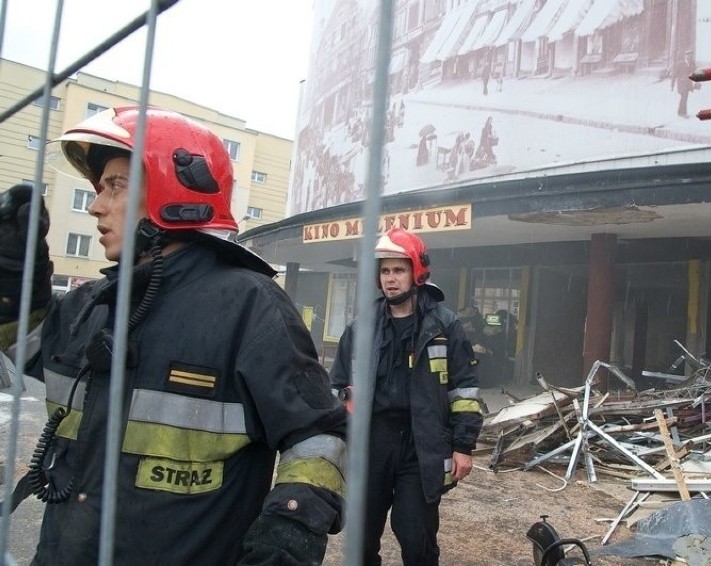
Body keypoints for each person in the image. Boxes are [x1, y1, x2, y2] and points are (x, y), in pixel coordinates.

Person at [0, 107, 347, 564]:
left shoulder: (249, 304)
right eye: (98, 188)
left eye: (116, 186)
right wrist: (12, 281)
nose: (96, 205)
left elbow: (318, 434)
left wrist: (289, 529)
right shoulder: (95, 301)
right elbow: (25, 352)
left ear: (175, 189)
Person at [329, 227, 483, 566]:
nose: (391, 279)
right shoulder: (361, 329)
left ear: (417, 272)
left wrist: (463, 446)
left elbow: (465, 391)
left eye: (398, 269)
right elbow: (336, 387)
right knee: (362, 537)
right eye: (385, 271)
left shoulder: (444, 327)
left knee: (415, 534)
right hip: (372, 443)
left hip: (422, 443)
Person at [671, 50, 697, 118]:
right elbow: (674, 75)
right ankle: (682, 113)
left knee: (685, 97)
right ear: (685, 56)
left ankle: (680, 112)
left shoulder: (692, 63)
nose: (689, 57)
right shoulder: (680, 64)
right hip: (681, 84)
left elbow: (695, 73)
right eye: (687, 55)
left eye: (690, 55)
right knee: (684, 97)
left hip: (688, 83)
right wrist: (672, 85)